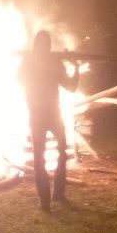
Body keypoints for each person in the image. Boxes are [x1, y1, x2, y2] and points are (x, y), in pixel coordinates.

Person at [18, 30, 80, 211]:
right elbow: (72, 86)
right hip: (43, 114)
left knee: (50, 153)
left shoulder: (37, 62)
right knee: (44, 155)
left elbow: (71, 87)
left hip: (47, 114)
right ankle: (49, 198)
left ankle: (53, 196)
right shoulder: (46, 62)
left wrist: (74, 67)